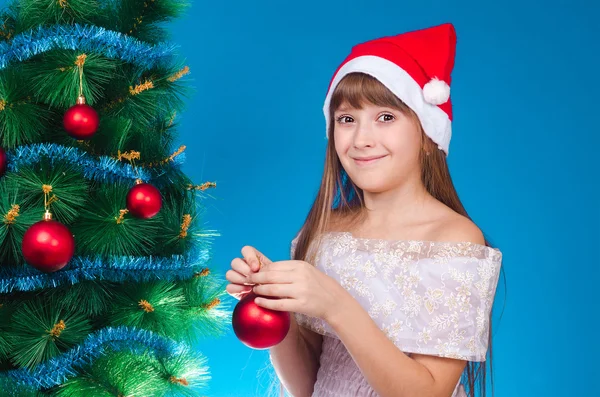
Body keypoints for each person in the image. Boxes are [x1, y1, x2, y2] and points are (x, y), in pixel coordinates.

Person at [226, 22, 503, 397]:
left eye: (385, 117)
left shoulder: (453, 238)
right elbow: (307, 385)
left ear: (427, 135)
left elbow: (428, 392)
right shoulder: (325, 230)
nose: (361, 139)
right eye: (347, 119)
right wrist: (272, 306)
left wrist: (336, 305)